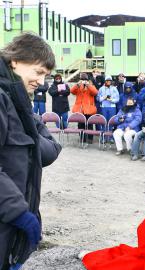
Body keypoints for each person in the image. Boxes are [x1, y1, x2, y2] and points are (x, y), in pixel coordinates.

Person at [0, 33, 61, 270]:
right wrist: (19, 213)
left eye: (45, 75)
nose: (42, 81)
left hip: (9, 226)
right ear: (15, 60)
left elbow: (41, 153)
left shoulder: (18, 100)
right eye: (38, 72)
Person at [70, 73, 98, 143]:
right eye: (82, 79)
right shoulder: (78, 86)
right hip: (80, 109)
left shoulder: (91, 86)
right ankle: (82, 138)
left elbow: (95, 92)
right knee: (80, 124)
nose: (83, 81)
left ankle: (90, 139)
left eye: (85, 79)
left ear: (88, 80)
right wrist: (77, 85)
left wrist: (88, 85)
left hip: (89, 109)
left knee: (90, 124)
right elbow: (72, 91)